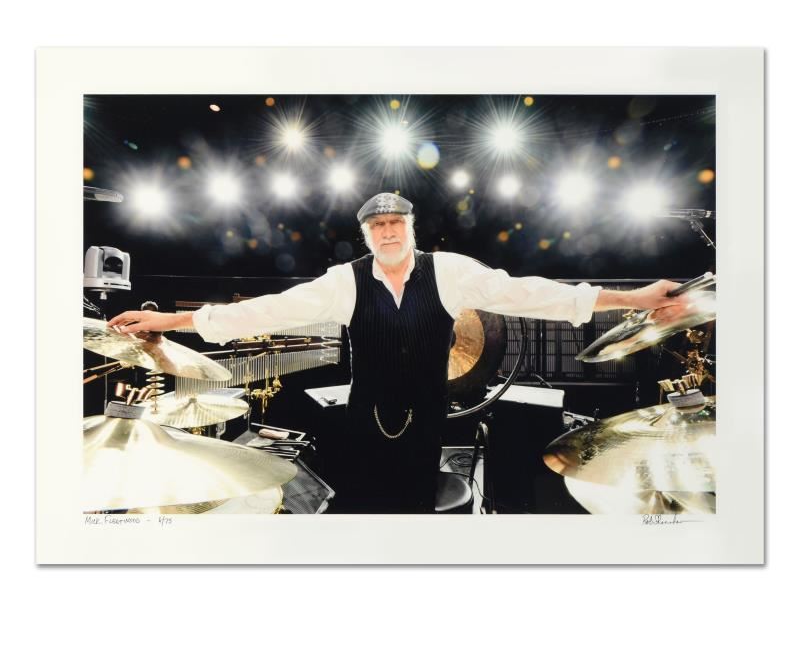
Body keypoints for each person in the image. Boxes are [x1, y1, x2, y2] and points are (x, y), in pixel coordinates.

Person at [108, 192, 691, 513]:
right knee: (364, 504)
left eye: (396, 223)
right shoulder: (344, 281)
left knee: (413, 504)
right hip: (364, 418)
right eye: (377, 225)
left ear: (412, 228)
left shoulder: (451, 272)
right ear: (366, 235)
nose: (388, 231)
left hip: (427, 416)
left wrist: (635, 297)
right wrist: (170, 321)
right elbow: (263, 312)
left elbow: (535, 294)